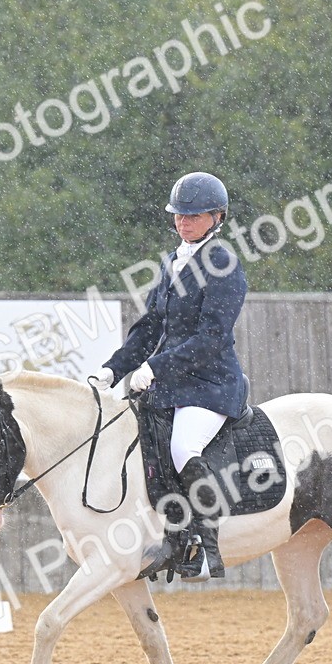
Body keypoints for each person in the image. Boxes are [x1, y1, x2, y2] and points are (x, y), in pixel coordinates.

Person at [91, 171, 248, 581]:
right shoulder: (172, 261)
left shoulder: (223, 263)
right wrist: (113, 368)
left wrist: (154, 367)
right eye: (179, 215)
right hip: (173, 385)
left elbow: (211, 337)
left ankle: (204, 547)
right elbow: (149, 327)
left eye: (194, 216)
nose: (184, 222)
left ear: (217, 217)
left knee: (182, 448)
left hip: (211, 384)